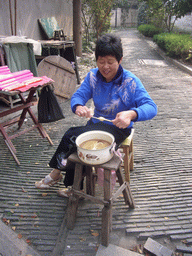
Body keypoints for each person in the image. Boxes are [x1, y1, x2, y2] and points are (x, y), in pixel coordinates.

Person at [35, 33, 157, 197]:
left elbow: (151, 107)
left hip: (118, 128)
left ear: (120, 60)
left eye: (110, 62)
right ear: (96, 60)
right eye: (101, 61)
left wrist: (132, 113)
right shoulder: (93, 76)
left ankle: (61, 178)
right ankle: (73, 186)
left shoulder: (130, 81)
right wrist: (78, 106)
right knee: (76, 143)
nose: (105, 67)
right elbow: (79, 96)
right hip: (95, 124)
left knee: (72, 137)